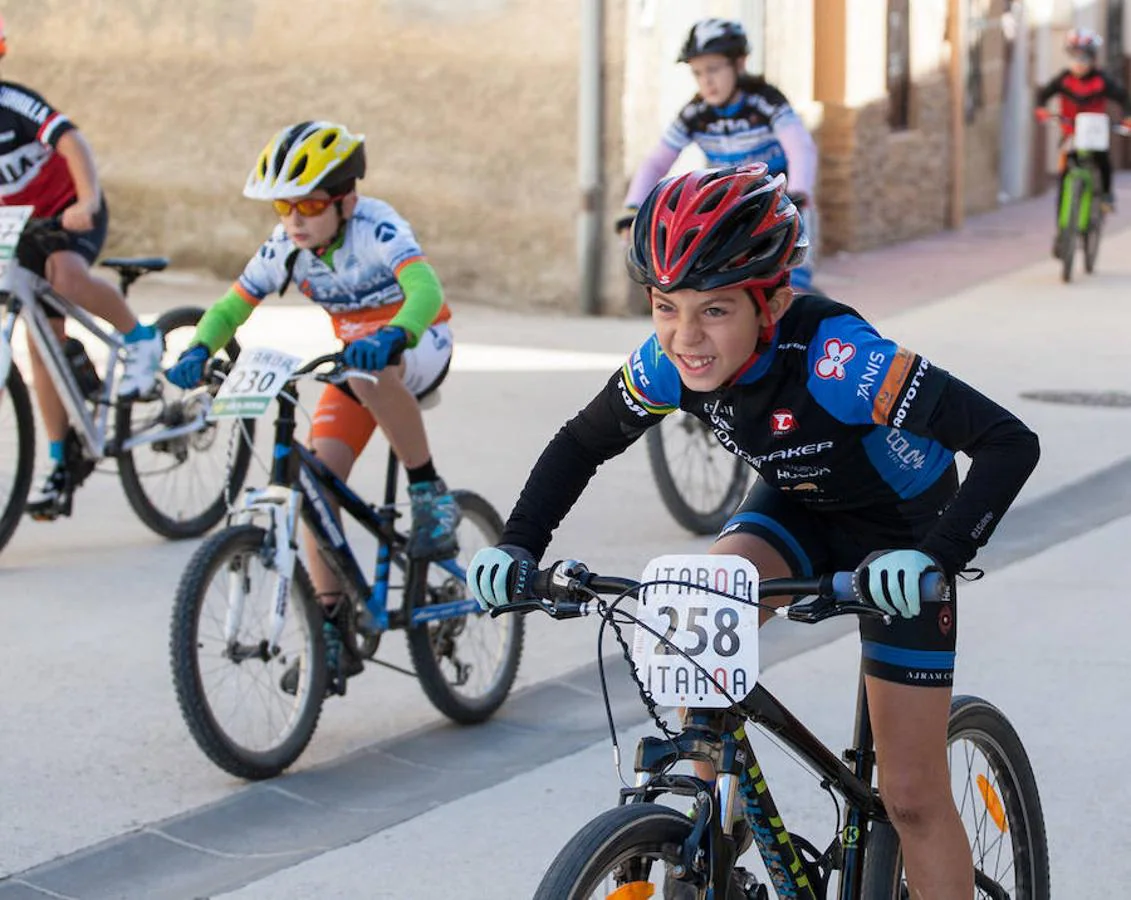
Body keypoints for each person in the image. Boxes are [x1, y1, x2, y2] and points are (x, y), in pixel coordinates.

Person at [468, 164, 1040, 898]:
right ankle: (702, 844)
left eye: (713, 311)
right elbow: (580, 444)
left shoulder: (841, 363)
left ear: (768, 302)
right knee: (703, 602)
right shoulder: (669, 363)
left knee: (911, 797)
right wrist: (519, 544)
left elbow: (1006, 442)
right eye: (664, 307)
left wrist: (935, 557)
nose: (685, 337)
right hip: (795, 506)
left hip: (902, 533)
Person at [165, 121, 460, 694]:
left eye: (310, 205)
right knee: (314, 484)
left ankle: (430, 494)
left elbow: (428, 292)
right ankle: (332, 623)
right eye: (283, 206)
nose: (294, 219)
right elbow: (231, 306)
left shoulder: (377, 224)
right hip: (356, 358)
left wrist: (396, 333)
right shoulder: (287, 246)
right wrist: (200, 344)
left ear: (346, 200)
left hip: (418, 342)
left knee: (371, 370)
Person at [0, 15, 163, 519]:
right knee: (39, 343)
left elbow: (72, 142)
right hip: (18, 228)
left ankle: (141, 340)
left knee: (66, 277)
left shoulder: (13, 102)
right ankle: (59, 459)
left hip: (66, 212)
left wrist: (87, 200)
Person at [616, 17, 819, 291]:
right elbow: (656, 162)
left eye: (713, 69)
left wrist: (799, 191)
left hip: (781, 205)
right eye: (697, 73)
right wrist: (633, 207)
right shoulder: (696, 114)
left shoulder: (766, 101)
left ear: (739, 64)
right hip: (732, 211)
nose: (706, 81)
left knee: (792, 285)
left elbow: (800, 147)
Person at [1035, 26, 1131, 214]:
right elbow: (1044, 94)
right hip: (1071, 130)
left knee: (1102, 159)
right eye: (1074, 57)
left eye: (1084, 58)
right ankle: (1063, 231)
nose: (1079, 63)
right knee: (1065, 170)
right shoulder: (1064, 80)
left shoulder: (1101, 80)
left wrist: (1128, 117)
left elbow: (1124, 98)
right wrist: (1042, 109)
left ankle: (1106, 195)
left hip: (1094, 131)